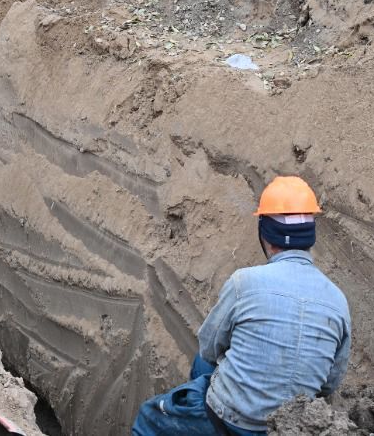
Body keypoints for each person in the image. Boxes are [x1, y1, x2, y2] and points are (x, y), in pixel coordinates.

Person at [131, 176, 351, 436]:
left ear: (265, 233)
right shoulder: (338, 301)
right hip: (291, 426)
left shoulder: (244, 283)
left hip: (231, 419)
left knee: (151, 417)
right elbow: (329, 384)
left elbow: (210, 348)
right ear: (310, 234)